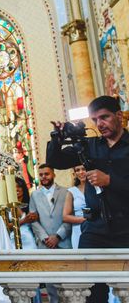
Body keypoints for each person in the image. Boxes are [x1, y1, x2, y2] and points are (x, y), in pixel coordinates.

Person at [47, 95, 129, 303]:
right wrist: (57, 138)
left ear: (119, 116)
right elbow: (56, 161)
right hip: (95, 229)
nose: (99, 124)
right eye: (95, 120)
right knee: (90, 291)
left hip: (125, 227)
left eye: (104, 117)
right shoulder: (89, 145)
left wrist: (110, 180)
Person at [29, 164, 71, 303]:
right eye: (41, 175)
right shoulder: (35, 195)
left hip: (64, 242)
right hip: (45, 244)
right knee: (51, 285)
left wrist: (58, 236)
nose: (44, 177)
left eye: (46, 174)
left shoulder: (66, 192)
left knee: (68, 285)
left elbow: (70, 216)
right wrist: (45, 238)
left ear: (53, 174)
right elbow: (33, 220)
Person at [63, 165, 87, 249]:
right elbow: (65, 217)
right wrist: (84, 220)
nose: (81, 172)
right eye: (77, 170)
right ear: (75, 173)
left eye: (84, 169)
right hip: (78, 230)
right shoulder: (72, 191)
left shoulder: (98, 188)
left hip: (97, 228)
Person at [13, 176, 38, 249]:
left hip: (29, 237)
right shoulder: (7, 207)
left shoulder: (31, 203)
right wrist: (24, 220)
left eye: (19, 187)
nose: (16, 189)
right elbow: (7, 225)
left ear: (23, 188)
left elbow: (33, 220)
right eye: (13, 187)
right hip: (13, 238)